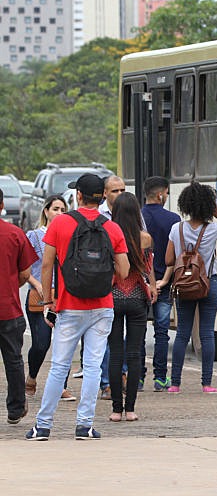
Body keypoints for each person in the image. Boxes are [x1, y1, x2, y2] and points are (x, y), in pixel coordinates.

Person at [26, 173, 129, 440]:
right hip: (102, 305)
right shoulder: (112, 227)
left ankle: (43, 426)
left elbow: (47, 264)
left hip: (69, 305)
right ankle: (84, 425)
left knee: (60, 366)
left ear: (78, 196)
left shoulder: (60, 224)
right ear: (102, 196)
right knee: (94, 366)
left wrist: (48, 300)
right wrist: (107, 280)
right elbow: (125, 269)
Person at [162, 181, 217, 394]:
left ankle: (175, 383)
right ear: (207, 206)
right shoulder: (214, 228)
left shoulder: (175, 229)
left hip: (184, 286)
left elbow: (169, 259)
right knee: (207, 334)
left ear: (185, 204)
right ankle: (206, 383)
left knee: (182, 334)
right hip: (208, 284)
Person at [108, 192, 157, 422]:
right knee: (135, 354)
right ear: (137, 213)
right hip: (138, 297)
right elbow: (148, 268)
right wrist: (154, 287)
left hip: (113, 297)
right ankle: (130, 410)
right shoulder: (145, 238)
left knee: (115, 354)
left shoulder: (108, 234)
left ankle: (116, 409)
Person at [24, 194, 77, 402]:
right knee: (41, 343)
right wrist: (38, 286)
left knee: (64, 343)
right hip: (40, 295)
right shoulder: (34, 236)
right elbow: (25, 268)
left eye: (63, 210)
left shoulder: (71, 235)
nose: (59, 213)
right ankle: (32, 376)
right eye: (55, 209)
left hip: (65, 295)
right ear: (46, 211)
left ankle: (61, 386)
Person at [0, 188, 38, 425]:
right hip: (8, 308)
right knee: (13, 360)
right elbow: (25, 273)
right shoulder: (15, 234)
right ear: (2, 205)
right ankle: (15, 409)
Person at [141, 176, 180, 392]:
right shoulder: (173, 219)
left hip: (141, 284)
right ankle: (160, 378)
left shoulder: (137, 219)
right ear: (160, 194)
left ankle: (138, 378)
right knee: (162, 331)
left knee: (137, 332)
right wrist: (164, 280)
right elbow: (174, 255)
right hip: (164, 283)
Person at [98, 174, 127, 399]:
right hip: (105, 284)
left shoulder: (132, 213)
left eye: (122, 190)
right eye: (114, 191)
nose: (119, 195)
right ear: (105, 193)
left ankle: (124, 375)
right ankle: (107, 382)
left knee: (125, 336)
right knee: (107, 336)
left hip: (129, 284)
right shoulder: (98, 218)